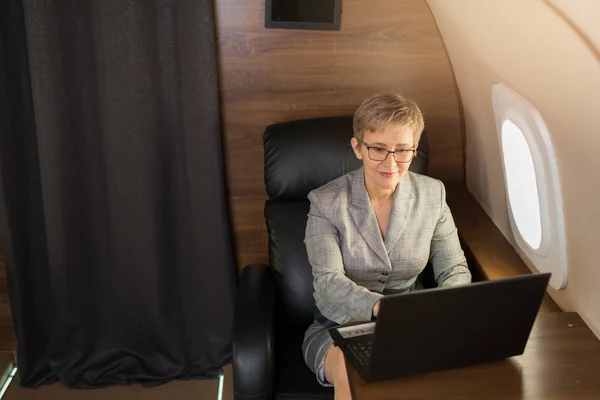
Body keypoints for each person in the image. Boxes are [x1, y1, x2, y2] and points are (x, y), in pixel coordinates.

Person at [301, 94, 472, 400]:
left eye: (403, 150)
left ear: (414, 149)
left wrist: (446, 311)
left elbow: (454, 269)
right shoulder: (325, 201)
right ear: (358, 148)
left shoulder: (433, 194)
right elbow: (327, 282)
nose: (391, 163)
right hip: (341, 323)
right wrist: (385, 309)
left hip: (417, 321)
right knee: (353, 371)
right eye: (378, 149)